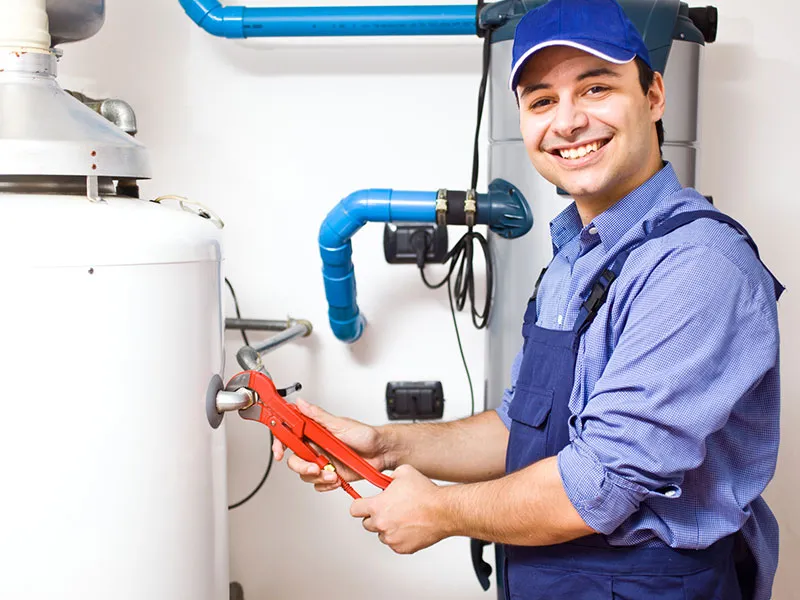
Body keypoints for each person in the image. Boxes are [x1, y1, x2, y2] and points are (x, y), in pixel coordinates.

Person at [273, 0, 784, 598]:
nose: (566, 122)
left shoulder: (697, 266)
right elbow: (522, 427)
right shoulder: (575, 258)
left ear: (653, 97)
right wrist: (383, 446)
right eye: (542, 100)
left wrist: (439, 510)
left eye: (596, 88)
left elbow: (599, 484)